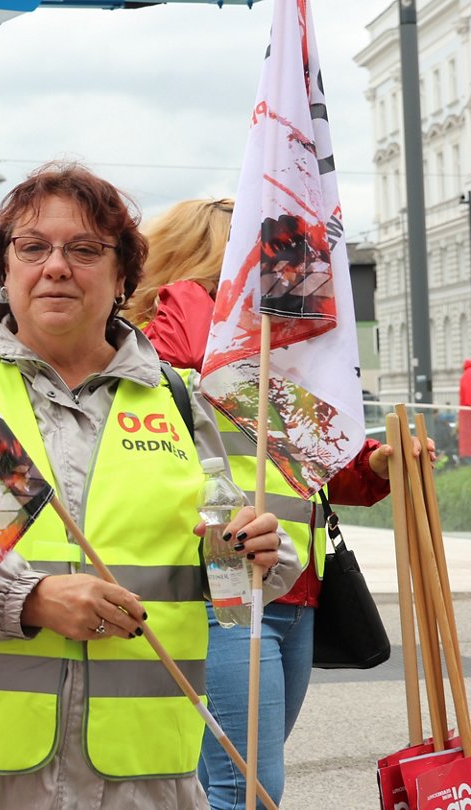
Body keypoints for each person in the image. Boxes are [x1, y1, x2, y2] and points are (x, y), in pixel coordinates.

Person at [0, 164, 296, 810]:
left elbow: (231, 585)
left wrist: (255, 552)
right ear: (5, 272)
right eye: (33, 248)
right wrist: (28, 599)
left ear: (124, 277)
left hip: (145, 777)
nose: (57, 266)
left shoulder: (177, 400)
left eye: (86, 249)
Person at [131, 198, 424, 809]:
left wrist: (375, 462)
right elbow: (190, 354)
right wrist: (213, 297)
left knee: (238, 784)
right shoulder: (183, 333)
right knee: (248, 788)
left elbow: (308, 453)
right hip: (228, 585)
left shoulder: (272, 358)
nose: (283, 270)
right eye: (258, 255)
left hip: (295, 589)